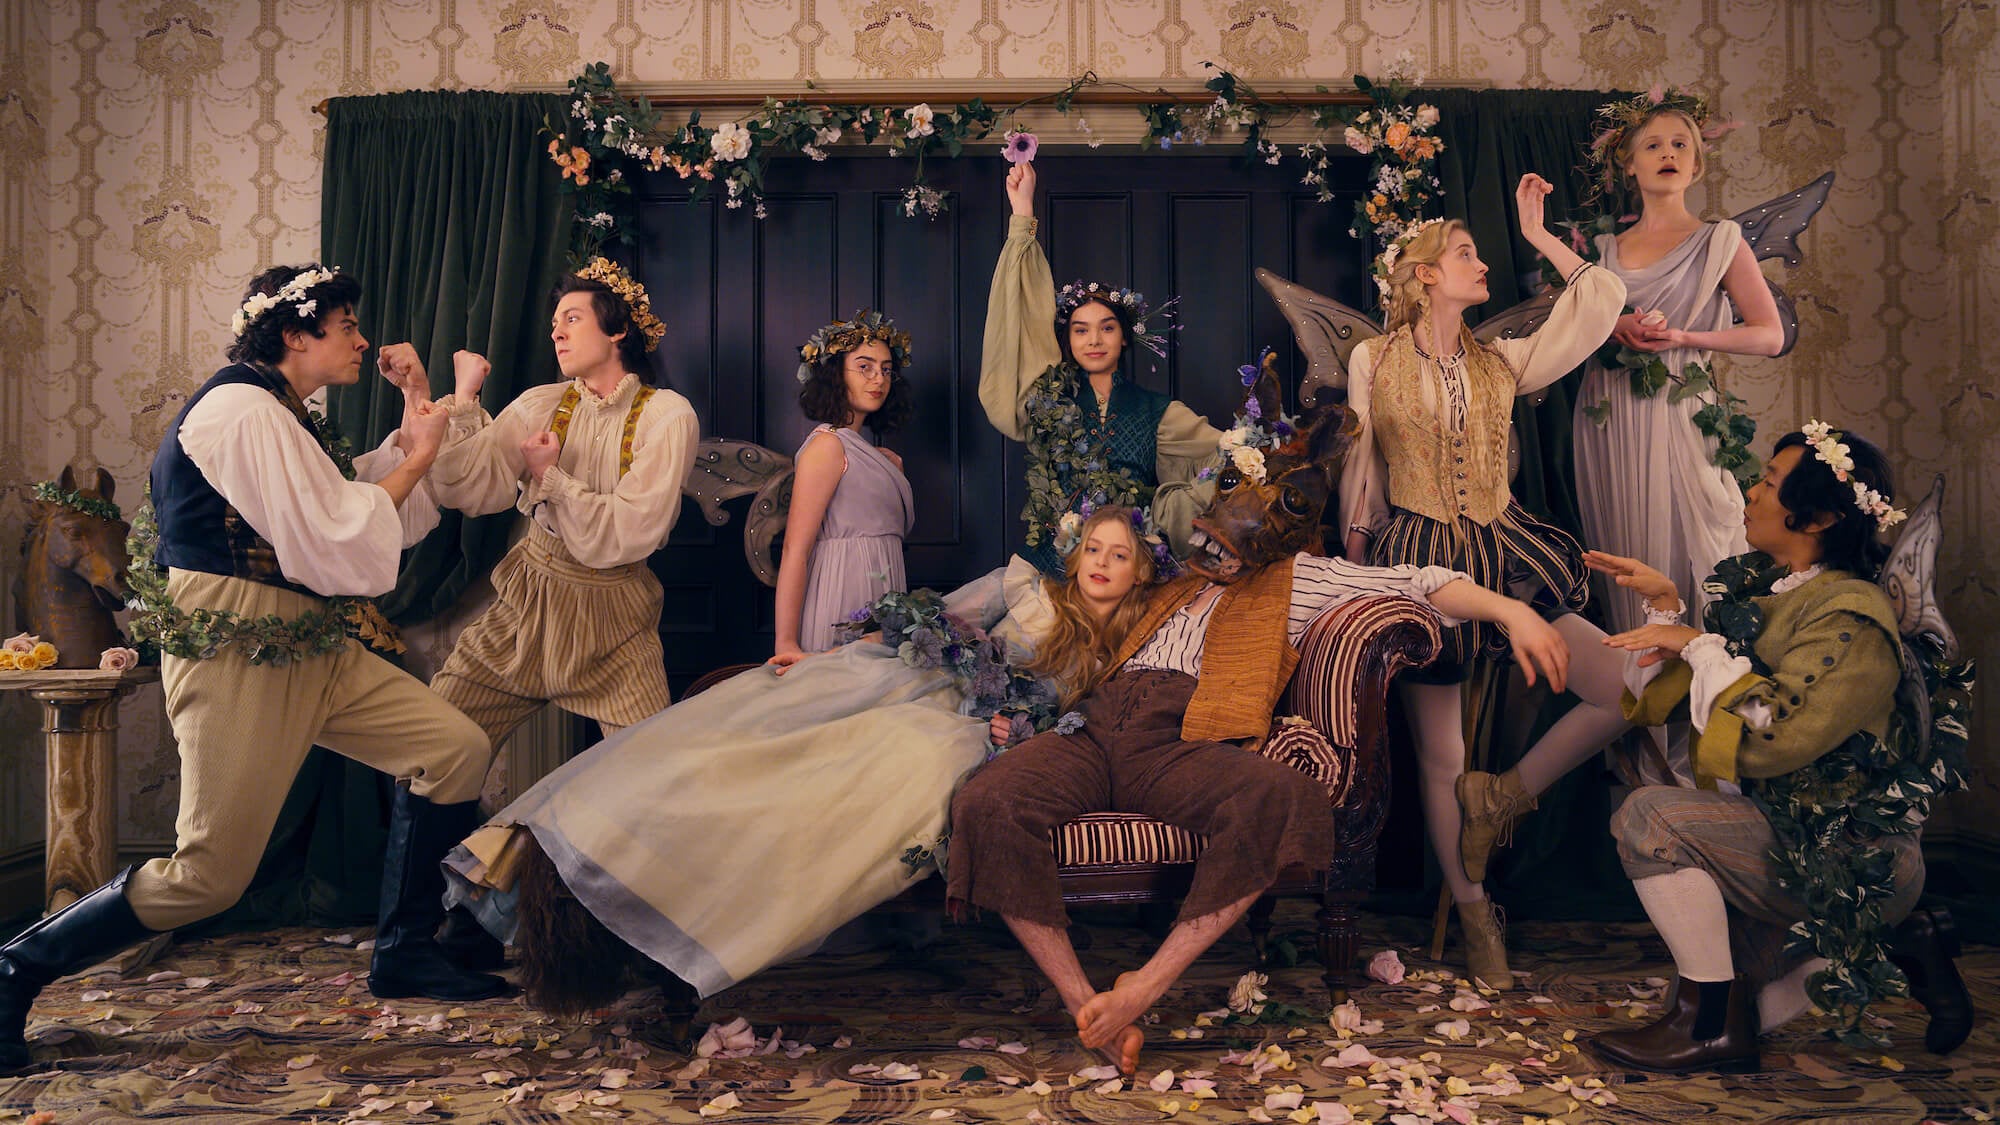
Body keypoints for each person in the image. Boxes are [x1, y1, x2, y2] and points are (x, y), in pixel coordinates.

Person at [949, 396, 1576, 1076]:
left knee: (1281, 797)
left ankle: (1144, 986)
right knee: (988, 800)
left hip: (1180, 737)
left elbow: (1421, 583)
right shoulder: (1173, 574)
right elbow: (1087, 595)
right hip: (1095, 727)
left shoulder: (1301, 578)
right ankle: (1088, 1006)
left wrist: (1511, 611)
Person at [1, 265, 506, 1075]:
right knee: (208, 876)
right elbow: (335, 533)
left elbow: (342, 509)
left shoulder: (285, 414)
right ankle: (12, 970)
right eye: (346, 325)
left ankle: (406, 951)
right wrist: (418, 457)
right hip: (238, 641)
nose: (361, 339)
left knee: (453, 749)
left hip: (309, 639)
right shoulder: (241, 408)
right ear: (295, 333)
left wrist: (413, 435)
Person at [439, 506, 1161, 1010]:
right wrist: (830, 656)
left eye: (1120, 554)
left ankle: (700, 926)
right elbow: (931, 622)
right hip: (912, 681)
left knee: (906, 760)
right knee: (747, 736)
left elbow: (1082, 724)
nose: (1102, 563)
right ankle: (576, 853)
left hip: (972, 733)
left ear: (1139, 573)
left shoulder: (1123, 649)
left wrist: (1023, 729)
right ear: (1075, 553)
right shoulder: (1024, 588)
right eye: (1094, 549)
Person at [1591, 423, 1971, 1071]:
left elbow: (1772, 733)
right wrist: (1665, 609)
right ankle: (1901, 940)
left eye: (1768, 482)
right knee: (1748, 997)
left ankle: (1710, 1026)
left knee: (1651, 817)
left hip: (1849, 856)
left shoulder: (1850, 616)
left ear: (1818, 517)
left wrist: (1700, 646)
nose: (1751, 492)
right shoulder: (1776, 594)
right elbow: (1678, 698)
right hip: (1786, 836)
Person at [1338, 178, 1633, 989]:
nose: (1482, 265)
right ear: (1425, 273)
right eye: (1466, 254)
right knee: (1442, 755)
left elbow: (1602, 300)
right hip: (1417, 554)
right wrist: (1355, 572)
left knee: (1621, 686)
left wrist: (1540, 234)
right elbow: (1362, 474)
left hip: (1508, 549)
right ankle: (1475, 917)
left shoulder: (1505, 358)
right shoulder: (1372, 359)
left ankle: (1502, 794)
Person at [425, 258, 699, 749]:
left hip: (616, 622)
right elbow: (467, 483)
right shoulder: (540, 404)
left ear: (617, 330)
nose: (557, 333)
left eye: (572, 318)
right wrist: (465, 396)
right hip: (526, 604)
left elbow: (631, 528)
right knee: (440, 740)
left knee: (649, 765)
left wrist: (550, 478)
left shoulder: (667, 416)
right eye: (555, 323)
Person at [1572, 91, 1786, 633]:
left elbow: (1769, 335)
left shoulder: (1719, 241)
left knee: (1702, 537)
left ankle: (1706, 670)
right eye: (1652, 145)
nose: (1667, 153)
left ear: (1695, 164)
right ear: (1629, 164)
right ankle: (1641, 676)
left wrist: (1685, 337)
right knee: (1627, 546)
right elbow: (1571, 331)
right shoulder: (1602, 251)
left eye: (1680, 144)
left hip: (1680, 404)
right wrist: (1614, 327)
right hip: (1610, 411)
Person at [980, 161, 1220, 573]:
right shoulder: (1047, 402)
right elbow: (1015, 312)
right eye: (1081, 330)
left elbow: (1233, 456)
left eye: (1107, 328)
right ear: (1068, 340)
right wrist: (1022, 213)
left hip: (1131, 572)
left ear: (1124, 337)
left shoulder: (1158, 413)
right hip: (1052, 571)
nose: (1094, 340)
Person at [769, 311, 916, 666]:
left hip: (886, 595)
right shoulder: (828, 447)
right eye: (864, 367)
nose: (878, 378)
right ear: (836, 375)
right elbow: (795, 549)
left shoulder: (879, 457)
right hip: (841, 594)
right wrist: (786, 641)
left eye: (886, 369)